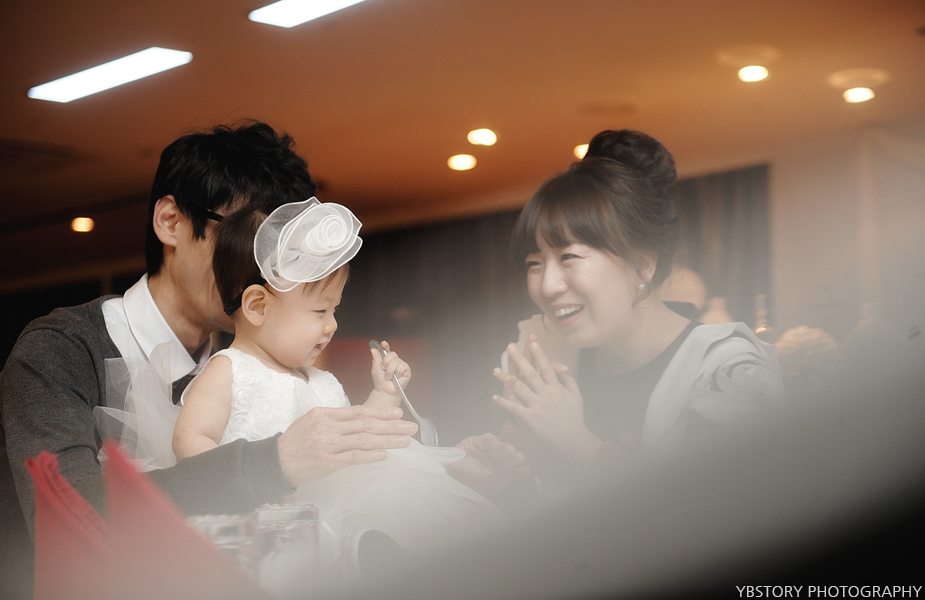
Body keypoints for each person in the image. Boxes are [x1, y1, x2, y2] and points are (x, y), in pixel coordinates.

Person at [0, 121, 418, 599]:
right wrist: (273, 462)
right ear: (171, 222)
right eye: (249, 239)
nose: (267, 269)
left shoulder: (264, 362)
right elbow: (76, 520)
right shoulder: (62, 350)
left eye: (283, 252)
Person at [167, 199, 496, 556]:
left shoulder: (321, 380)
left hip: (340, 522)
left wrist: (385, 394)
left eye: (334, 309)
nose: (332, 325)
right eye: (319, 310)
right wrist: (255, 480)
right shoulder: (229, 369)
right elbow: (188, 440)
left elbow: (357, 440)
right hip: (269, 526)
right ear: (258, 306)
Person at [493, 129, 784, 483]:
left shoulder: (724, 369)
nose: (547, 286)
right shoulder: (544, 353)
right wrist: (496, 470)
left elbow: (723, 505)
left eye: (569, 257)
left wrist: (575, 441)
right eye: (534, 264)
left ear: (643, 265)